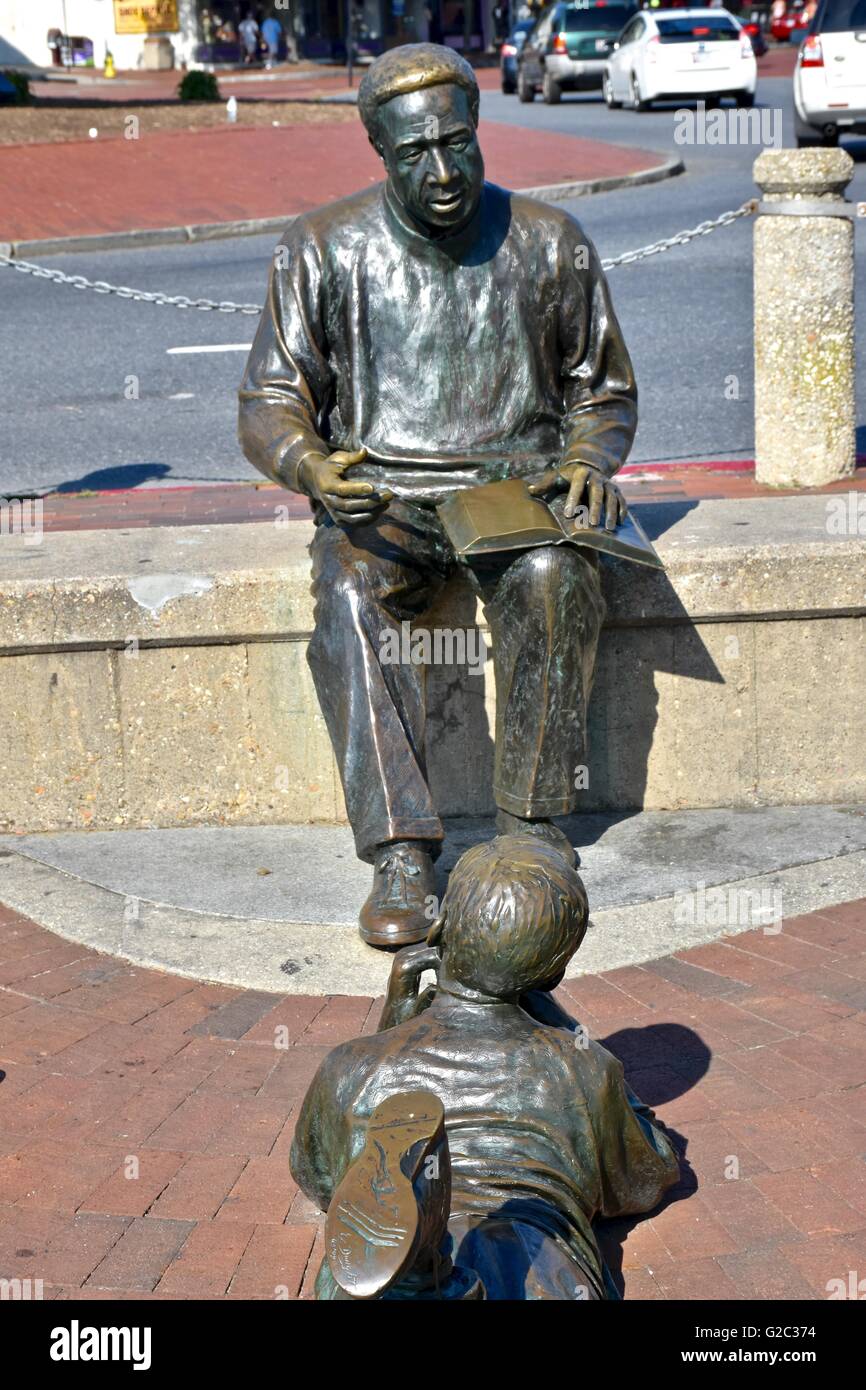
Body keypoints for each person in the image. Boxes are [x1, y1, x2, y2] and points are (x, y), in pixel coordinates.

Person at [239, 45, 636, 948]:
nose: (445, 171)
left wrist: (588, 456)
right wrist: (308, 464)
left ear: (480, 131)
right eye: (417, 153)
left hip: (516, 497)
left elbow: (602, 390)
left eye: (459, 143)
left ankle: (532, 832)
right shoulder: (321, 248)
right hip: (384, 504)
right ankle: (401, 851)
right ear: (380, 149)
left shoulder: (549, 241)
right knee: (347, 591)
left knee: (555, 578)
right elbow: (271, 399)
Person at [290, 835, 680, 1300]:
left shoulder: (351, 1065)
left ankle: (421, 1244)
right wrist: (562, 1027)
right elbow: (646, 1177)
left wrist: (392, 1026)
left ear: (436, 930)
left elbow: (322, 1181)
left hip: (375, 1264)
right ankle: (430, 1258)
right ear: (554, 975)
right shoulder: (583, 1068)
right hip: (532, 1254)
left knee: (378, 1259)